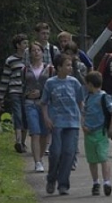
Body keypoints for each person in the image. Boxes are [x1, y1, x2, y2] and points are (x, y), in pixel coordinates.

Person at [42, 55, 85, 195]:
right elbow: (44, 103)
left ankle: (63, 184)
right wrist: (47, 118)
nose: (70, 68)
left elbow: (80, 101)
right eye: (67, 65)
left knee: (68, 153)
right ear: (59, 67)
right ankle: (51, 178)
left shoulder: (74, 83)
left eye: (70, 65)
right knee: (55, 152)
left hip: (72, 122)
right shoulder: (50, 83)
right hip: (57, 123)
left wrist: (84, 118)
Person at [82, 71, 112, 196]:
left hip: (100, 132)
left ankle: (106, 182)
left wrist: (111, 129)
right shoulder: (88, 97)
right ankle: (95, 182)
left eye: (86, 84)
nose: (86, 86)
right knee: (92, 160)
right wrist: (84, 126)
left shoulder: (104, 96)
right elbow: (84, 113)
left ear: (91, 84)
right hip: (89, 133)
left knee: (103, 157)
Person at [23, 42, 53, 172]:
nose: (36, 52)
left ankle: (40, 157)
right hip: (30, 103)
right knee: (35, 132)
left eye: (38, 50)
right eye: (33, 50)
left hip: (45, 104)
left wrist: (41, 93)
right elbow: (21, 86)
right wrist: (27, 94)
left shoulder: (50, 69)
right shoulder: (24, 69)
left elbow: (52, 87)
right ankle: (37, 162)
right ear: (30, 53)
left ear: (42, 52)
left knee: (44, 133)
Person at [0, 33, 29, 153]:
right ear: (18, 45)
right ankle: (18, 141)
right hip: (14, 90)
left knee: (26, 116)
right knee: (18, 115)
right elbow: (5, 79)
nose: (27, 45)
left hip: (26, 92)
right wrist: (0, 97)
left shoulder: (29, 59)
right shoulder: (10, 60)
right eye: (24, 43)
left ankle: (23, 141)